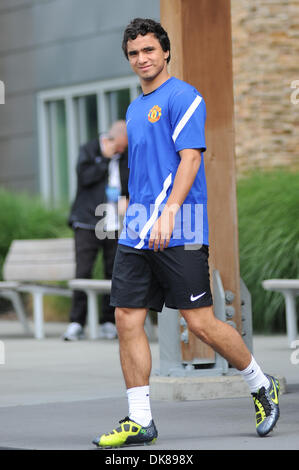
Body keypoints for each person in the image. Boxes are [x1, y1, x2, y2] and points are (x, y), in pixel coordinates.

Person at [92, 18, 280, 448]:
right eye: (134, 53)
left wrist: (169, 213)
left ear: (166, 52)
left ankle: (260, 384)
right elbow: (144, 168)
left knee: (200, 323)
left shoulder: (185, 97)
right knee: (126, 318)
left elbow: (190, 160)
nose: (142, 59)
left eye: (149, 50)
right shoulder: (135, 108)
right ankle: (141, 419)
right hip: (137, 230)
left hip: (181, 227)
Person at [63, 121, 129, 341]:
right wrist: (105, 158)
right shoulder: (89, 150)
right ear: (110, 139)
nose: (121, 150)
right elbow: (84, 178)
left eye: (123, 147)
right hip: (87, 222)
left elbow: (130, 184)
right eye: (119, 146)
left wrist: (127, 200)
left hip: (114, 224)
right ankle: (76, 323)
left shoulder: (127, 156)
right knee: (83, 272)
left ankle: (108, 322)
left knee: (113, 273)